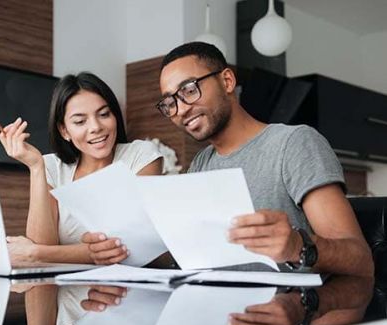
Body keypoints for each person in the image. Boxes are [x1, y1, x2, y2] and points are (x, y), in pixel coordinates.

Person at [84, 42, 373, 277]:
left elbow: (359, 259)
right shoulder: (201, 163)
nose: (181, 109)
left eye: (188, 90)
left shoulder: (294, 143)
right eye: (170, 103)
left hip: (292, 312)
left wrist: (298, 245)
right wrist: (122, 249)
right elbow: (189, 256)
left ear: (227, 80)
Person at [0, 72, 163, 265]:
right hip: (65, 292)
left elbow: (129, 246)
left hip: (127, 291)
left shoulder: (141, 156)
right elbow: (42, 244)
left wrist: (36, 253)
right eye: (80, 121)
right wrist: (35, 167)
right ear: (64, 130)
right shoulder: (52, 167)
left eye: (103, 114)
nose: (95, 127)